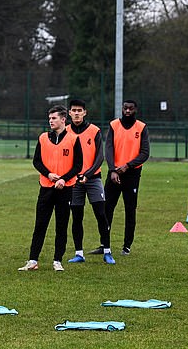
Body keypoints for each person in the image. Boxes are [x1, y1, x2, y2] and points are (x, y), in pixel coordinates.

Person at [18, 105, 79, 272]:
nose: (50, 121)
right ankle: (32, 260)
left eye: (54, 118)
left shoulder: (73, 139)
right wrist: (49, 174)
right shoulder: (43, 138)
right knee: (40, 224)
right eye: (50, 118)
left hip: (64, 189)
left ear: (63, 120)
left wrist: (64, 179)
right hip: (46, 187)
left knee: (61, 225)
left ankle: (57, 260)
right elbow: (37, 161)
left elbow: (78, 165)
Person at [67, 99, 114, 265]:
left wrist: (87, 174)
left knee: (101, 215)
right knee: (77, 216)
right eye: (74, 110)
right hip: (74, 181)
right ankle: (79, 253)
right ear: (69, 113)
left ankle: (107, 251)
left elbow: (99, 156)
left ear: (85, 112)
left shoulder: (94, 131)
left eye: (80, 110)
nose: (77, 113)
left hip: (93, 179)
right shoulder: (65, 132)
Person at [104, 99, 150, 255]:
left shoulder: (141, 127)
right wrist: (113, 170)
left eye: (130, 108)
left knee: (130, 210)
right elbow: (108, 149)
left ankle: (127, 245)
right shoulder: (114, 125)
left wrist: (128, 165)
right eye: (125, 108)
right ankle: (105, 244)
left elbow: (145, 153)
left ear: (135, 109)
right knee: (107, 208)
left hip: (131, 174)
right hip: (114, 174)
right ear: (122, 109)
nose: (127, 111)